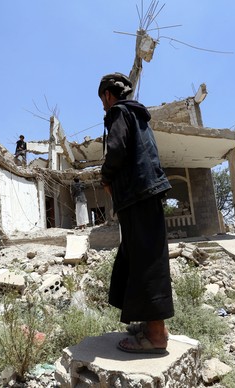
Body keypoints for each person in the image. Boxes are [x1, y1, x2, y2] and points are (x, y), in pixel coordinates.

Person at [98, 72, 174, 354]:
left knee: (145, 261)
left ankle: (156, 335)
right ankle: (149, 324)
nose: (103, 106)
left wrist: (105, 178)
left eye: (102, 100)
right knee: (136, 258)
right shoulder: (138, 116)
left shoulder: (118, 113)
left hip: (137, 196)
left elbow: (116, 150)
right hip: (144, 195)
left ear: (107, 95)